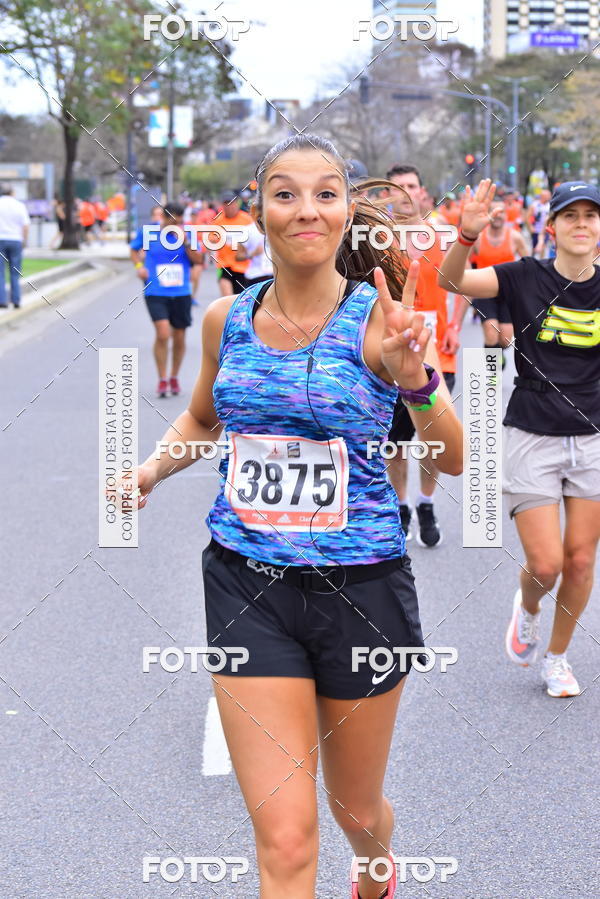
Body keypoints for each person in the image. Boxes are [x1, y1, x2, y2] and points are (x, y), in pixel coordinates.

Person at [131, 134, 463, 898]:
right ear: (261, 210)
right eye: (285, 193)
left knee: (354, 808)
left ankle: (377, 867)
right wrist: (150, 467)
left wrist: (417, 382)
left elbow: (453, 459)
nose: (305, 208)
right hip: (249, 585)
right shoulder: (226, 320)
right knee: (284, 837)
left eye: (325, 192)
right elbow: (203, 420)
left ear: (348, 210)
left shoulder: (381, 324)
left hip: (362, 590)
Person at [439, 178, 600, 698]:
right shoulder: (522, 276)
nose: (581, 224)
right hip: (532, 431)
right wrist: (465, 235)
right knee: (547, 562)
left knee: (580, 559)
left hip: (593, 437)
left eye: (590, 216)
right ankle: (528, 607)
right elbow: (450, 282)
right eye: (569, 216)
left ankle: (557, 657)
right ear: (550, 227)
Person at [385, 164, 462, 546]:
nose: (403, 192)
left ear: (422, 191)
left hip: (438, 353)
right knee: (394, 443)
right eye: (395, 187)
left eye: (410, 186)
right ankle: (400, 506)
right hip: (393, 358)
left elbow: (461, 283)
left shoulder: (443, 234)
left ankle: (426, 503)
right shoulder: (375, 241)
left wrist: (456, 326)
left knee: (432, 438)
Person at [130, 202, 204, 397]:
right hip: (155, 290)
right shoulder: (148, 232)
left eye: (178, 220)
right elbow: (133, 250)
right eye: (171, 220)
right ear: (163, 218)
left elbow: (199, 260)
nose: (175, 224)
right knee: (163, 334)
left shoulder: (188, 233)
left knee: (179, 336)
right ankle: (162, 379)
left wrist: (186, 242)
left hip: (181, 292)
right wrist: (139, 267)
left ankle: (174, 376)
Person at [454, 199, 529, 367]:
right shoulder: (479, 238)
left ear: (506, 215)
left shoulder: (515, 237)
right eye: (494, 212)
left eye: (501, 212)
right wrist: (468, 280)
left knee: (505, 339)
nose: (498, 215)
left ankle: (497, 354)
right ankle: (491, 373)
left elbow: (528, 264)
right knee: (491, 332)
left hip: (508, 293)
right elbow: (463, 259)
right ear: (488, 215)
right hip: (483, 291)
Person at [212, 190, 253, 296]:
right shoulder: (218, 221)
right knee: (228, 300)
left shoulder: (247, 220)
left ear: (236, 203)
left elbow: (255, 239)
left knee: (241, 301)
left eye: (231, 203)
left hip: (243, 266)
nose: (229, 206)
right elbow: (210, 238)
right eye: (226, 203)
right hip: (224, 265)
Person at [0, 183, 30, 309]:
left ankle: (2, 300)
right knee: (15, 272)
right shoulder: (20, 205)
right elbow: (25, 225)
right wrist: (24, 240)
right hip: (16, 240)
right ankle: (16, 300)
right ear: (12, 192)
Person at [234, 219, 273, 286]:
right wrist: (253, 253)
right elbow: (238, 256)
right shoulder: (247, 230)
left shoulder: (277, 228)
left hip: (276, 275)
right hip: (256, 276)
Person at [528, 188, 551, 258]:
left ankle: (542, 261)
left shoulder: (550, 205)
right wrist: (530, 227)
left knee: (543, 246)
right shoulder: (535, 205)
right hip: (536, 229)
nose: (548, 197)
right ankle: (532, 258)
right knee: (534, 246)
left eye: (548, 196)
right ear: (542, 196)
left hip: (545, 230)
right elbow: (527, 217)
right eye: (546, 196)